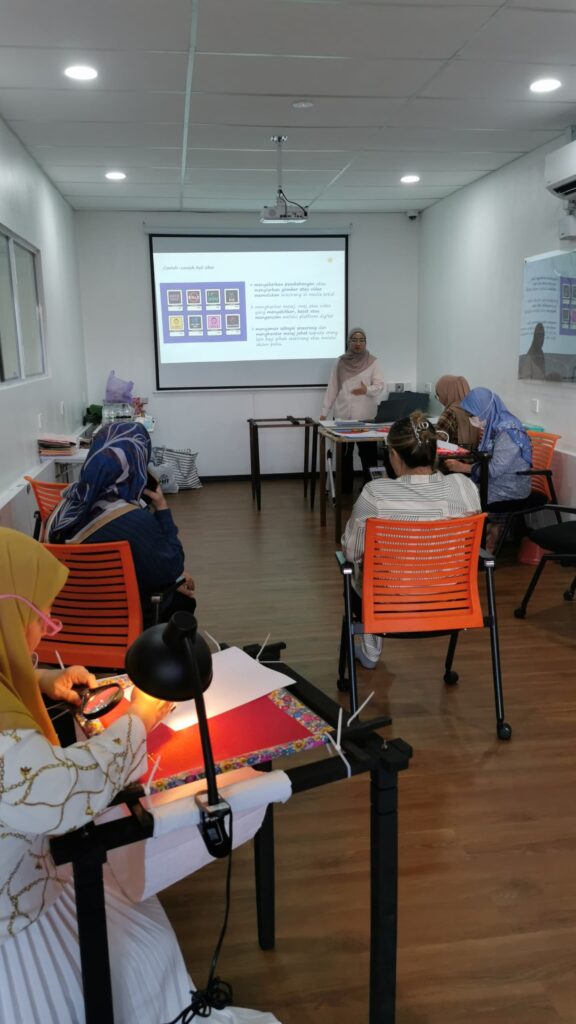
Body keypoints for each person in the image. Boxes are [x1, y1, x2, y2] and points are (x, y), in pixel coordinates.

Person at [0, 527, 282, 1024]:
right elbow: (58, 792)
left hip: (30, 873)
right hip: (17, 921)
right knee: (138, 963)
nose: (46, 632)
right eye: (39, 619)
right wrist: (138, 719)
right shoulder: (144, 527)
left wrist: (37, 678)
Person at [342, 412, 481, 669]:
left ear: (394, 455)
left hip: (390, 600)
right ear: (435, 451)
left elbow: (351, 552)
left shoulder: (375, 494)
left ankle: (371, 651)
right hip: (451, 598)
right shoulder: (464, 487)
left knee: (359, 568)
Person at [46, 421, 195, 626]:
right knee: (184, 599)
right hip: (120, 621)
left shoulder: (64, 506)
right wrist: (162, 507)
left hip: (65, 617)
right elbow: (172, 567)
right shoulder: (136, 522)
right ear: (138, 464)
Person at [320, 327, 385, 492]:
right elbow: (332, 388)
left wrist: (366, 390)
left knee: (368, 454)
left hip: (365, 417)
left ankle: (370, 487)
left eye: (361, 340)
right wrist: (324, 412)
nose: (358, 343)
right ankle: (345, 488)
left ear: (365, 343)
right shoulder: (340, 362)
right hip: (342, 417)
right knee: (344, 455)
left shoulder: (373, 362)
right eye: (354, 340)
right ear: (348, 342)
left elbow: (379, 386)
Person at [435, 374, 481, 448]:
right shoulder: (475, 409)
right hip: (473, 454)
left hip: (454, 455)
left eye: (438, 394)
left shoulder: (450, 412)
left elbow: (436, 442)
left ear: (447, 393)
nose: (439, 398)